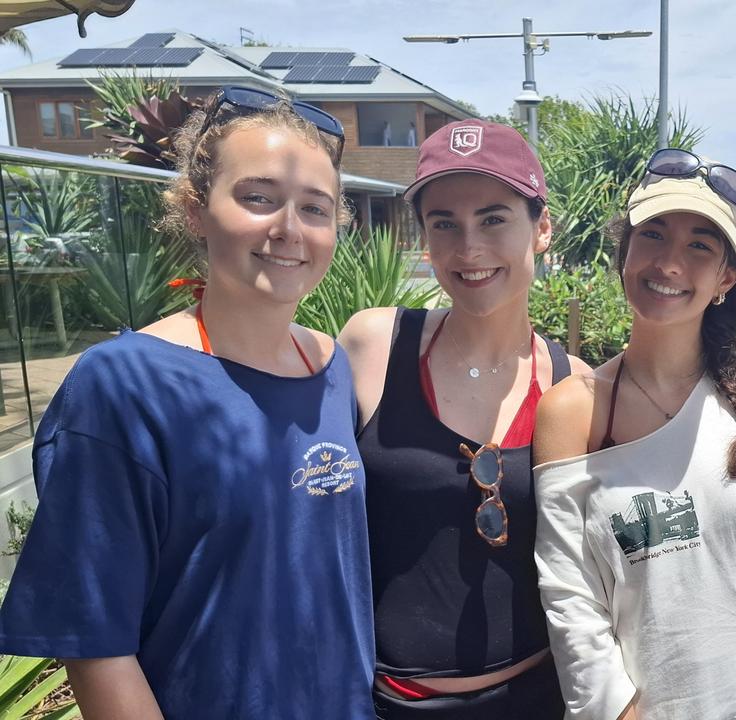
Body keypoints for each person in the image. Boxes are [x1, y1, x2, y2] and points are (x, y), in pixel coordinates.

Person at [0, 86, 374, 718]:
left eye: (315, 208)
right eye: (258, 198)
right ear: (197, 211)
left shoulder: (335, 370)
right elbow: (96, 647)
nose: (289, 229)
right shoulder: (124, 385)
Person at [533, 149, 736, 720]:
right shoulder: (572, 412)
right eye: (653, 236)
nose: (670, 264)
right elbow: (570, 600)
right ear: (625, 253)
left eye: (700, 246)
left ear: (728, 278)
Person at [339, 119, 590, 720]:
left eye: (494, 218)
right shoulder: (373, 346)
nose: (468, 247)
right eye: (443, 222)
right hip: (389, 703)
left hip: (539, 698)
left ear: (543, 228)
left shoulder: (573, 385)